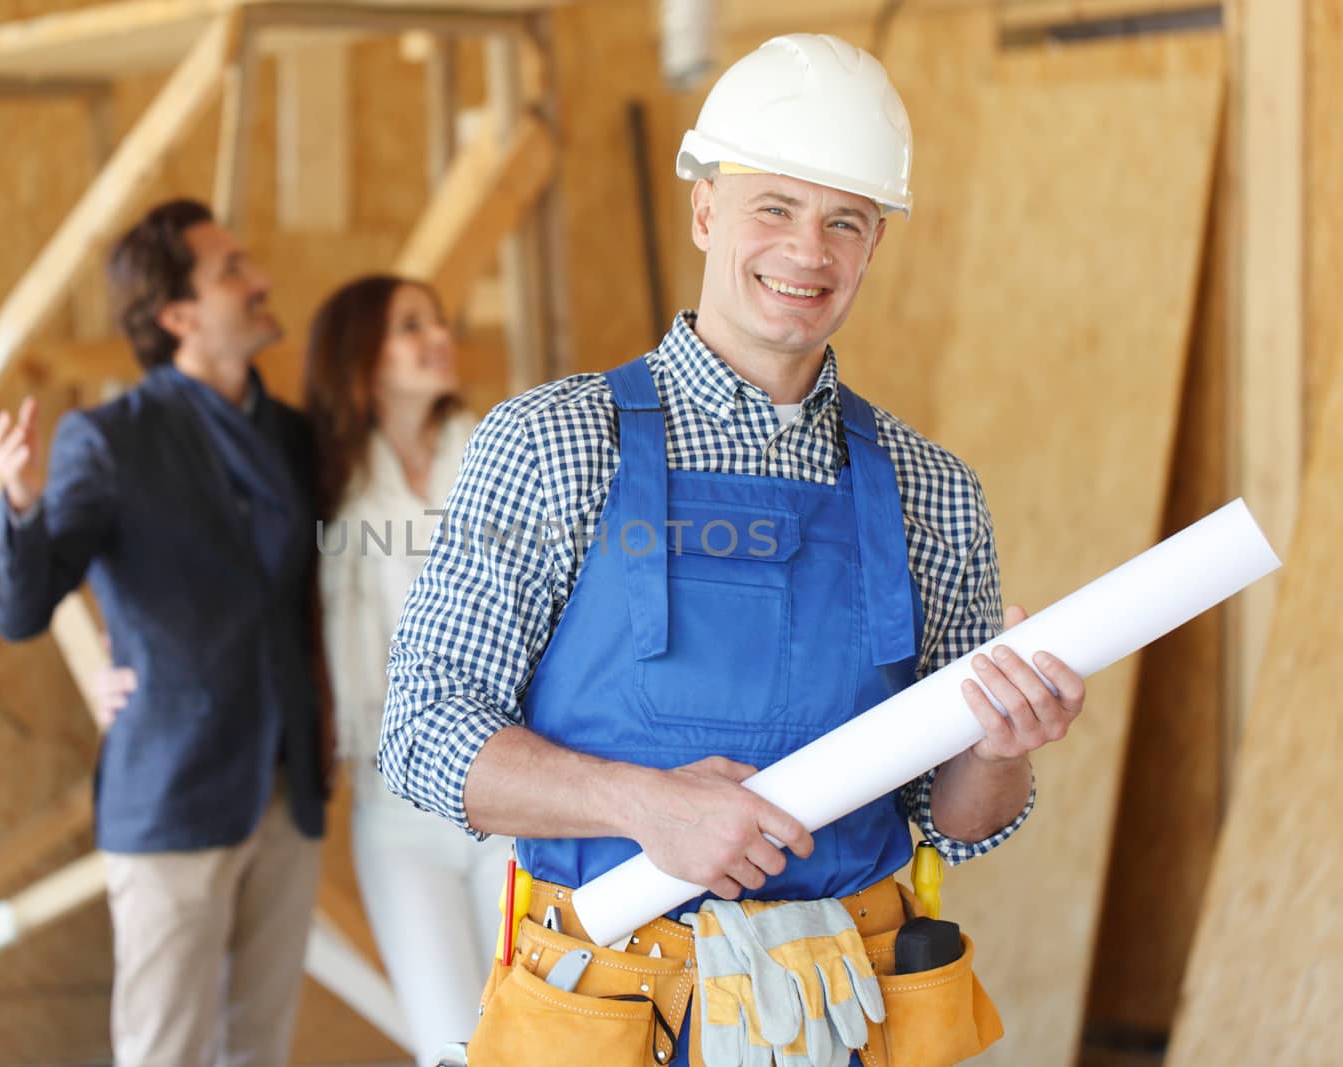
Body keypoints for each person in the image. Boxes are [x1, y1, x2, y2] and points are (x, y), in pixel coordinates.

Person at [379, 34, 1087, 1067]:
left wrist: (1000, 747)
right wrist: (641, 803)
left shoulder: (934, 491)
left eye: (844, 221)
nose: (808, 252)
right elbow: (422, 727)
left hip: (841, 1013)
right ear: (706, 208)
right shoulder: (550, 443)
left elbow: (958, 821)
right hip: (607, 1006)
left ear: (873, 244)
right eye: (775, 208)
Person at [0, 198, 328, 1067]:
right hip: (174, 790)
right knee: (163, 1052)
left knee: (260, 1050)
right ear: (177, 315)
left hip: (291, 788)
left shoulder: (293, 434)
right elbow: (24, 609)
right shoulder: (108, 440)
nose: (261, 282)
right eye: (232, 272)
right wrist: (19, 501)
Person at [305, 275, 513, 1066]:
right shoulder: (331, 482)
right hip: (396, 810)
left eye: (441, 321)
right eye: (410, 326)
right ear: (361, 356)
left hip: (509, 785)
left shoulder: (495, 450)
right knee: (450, 1044)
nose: (438, 338)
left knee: (539, 1027)